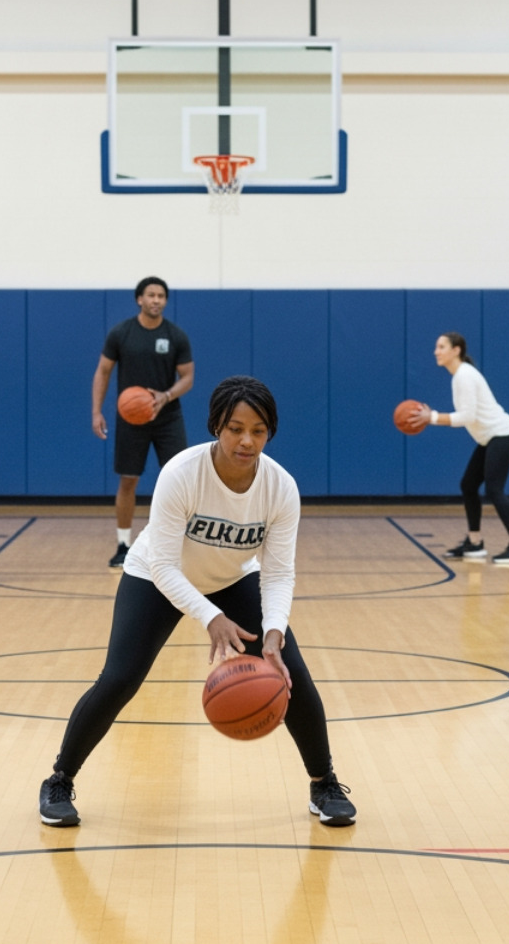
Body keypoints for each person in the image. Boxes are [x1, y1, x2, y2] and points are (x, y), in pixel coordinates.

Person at [39, 376, 357, 828]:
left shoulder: (280, 488)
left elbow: (279, 571)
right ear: (215, 426)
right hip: (156, 576)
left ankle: (323, 782)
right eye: (235, 428)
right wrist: (212, 618)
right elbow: (166, 566)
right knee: (120, 679)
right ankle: (59, 779)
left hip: (231, 576)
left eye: (259, 430)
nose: (247, 440)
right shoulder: (182, 473)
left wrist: (273, 632)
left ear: (270, 432)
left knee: (293, 674)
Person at [92, 277, 195, 568]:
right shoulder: (121, 333)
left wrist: (166, 395)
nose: (156, 300)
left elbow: (188, 377)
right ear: (139, 299)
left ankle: (181, 544)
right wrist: (96, 412)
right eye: (151, 295)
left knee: (179, 480)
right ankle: (124, 545)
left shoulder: (175, 335)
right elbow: (102, 371)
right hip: (131, 418)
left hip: (167, 417)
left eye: (161, 296)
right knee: (128, 479)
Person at [416, 332, 509, 564]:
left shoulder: (464, 376)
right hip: (490, 438)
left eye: (441, 347)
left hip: (503, 434)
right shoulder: (459, 376)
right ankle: (475, 542)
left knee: (494, 489)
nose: (436, 351)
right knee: (469, 485)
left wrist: (432, 417)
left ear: (456, 350)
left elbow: (465, 417)